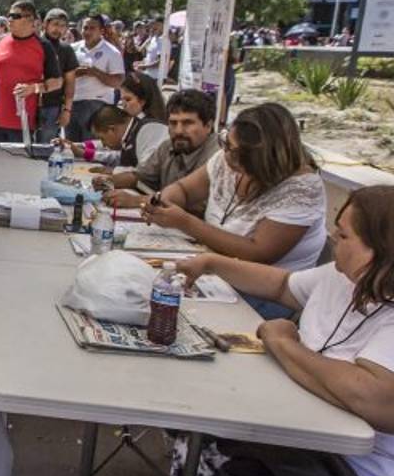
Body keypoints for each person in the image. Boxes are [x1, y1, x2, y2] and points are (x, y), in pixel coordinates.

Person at [152, 186, 394, 476]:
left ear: (380, 250)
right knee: (199, 440)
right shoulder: (344, 277)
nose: (333, 239)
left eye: (343, 235)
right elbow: (283, 286)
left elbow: (372, 398)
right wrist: (212, 264)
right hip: (310, 442)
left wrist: (284, 343)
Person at [143, 102, 327, 317]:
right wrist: (164, 203)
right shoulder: (227, 158)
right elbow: (184, 189)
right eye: (226, 143)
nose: (226, 153)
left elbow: (257, 253)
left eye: (234, 151)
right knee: (147, 288)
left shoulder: (302, 189)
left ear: (262, 158)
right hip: (213, 271)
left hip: (261, 292)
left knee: (166, 310)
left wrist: (185, 222)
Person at [93, 88, 219, 210]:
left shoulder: (218, 156)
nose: (178, 131)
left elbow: (192, 204)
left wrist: (136, 201)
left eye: (187, 123)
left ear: (208, 125)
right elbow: (140, 176)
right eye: (173, 123)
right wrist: (108, 181)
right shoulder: (168, 146)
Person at [0, 0, 61, 143]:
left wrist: (33, 88)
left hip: (22, 124)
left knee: (16, 166)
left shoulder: (44, 46)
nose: (9, 19)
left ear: (31, 19)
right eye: (9, 15)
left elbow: (57, 82)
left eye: (15, 16)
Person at [68, 14, 125, 141]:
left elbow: (118, 82)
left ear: (102, 31)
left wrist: (95, 73)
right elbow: (63, 75)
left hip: (98, 107)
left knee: (90, 149)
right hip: (72, 104)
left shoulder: (112, 52)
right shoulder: (72, 49)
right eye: (85, 28)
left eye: (92, 28)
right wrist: (75, 73)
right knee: (71, 148)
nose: (87, 31)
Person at [58, 103, 166, 170]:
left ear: (112, 129)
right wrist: (80, 147)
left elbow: (144, 172)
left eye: (102, 138)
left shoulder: (147, 130)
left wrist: (113, 172)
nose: (103, 144)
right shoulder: (131, 132)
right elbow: (119, 157)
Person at [37, 8, 78, 143]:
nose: (58, 29)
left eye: (62, 26)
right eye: (55, 24)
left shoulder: (66, 50)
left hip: (52, 107)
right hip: (28, 104)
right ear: (45, 24)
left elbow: (70, 83)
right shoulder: (34, 45)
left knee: (45, 149)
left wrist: (67, 110)